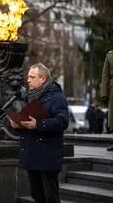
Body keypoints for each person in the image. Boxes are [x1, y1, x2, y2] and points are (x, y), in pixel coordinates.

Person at [8, 63, 69, 203]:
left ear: (43, 79)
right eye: (28, 76)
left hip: (47, 155)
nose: (28, 80)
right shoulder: (30, 97)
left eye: (32, 77)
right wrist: (17, 125)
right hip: (32, 154)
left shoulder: (56, 97)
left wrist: (38, 124)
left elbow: (62, 122)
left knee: (50, 197)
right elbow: (28, 121)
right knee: (37, 195)